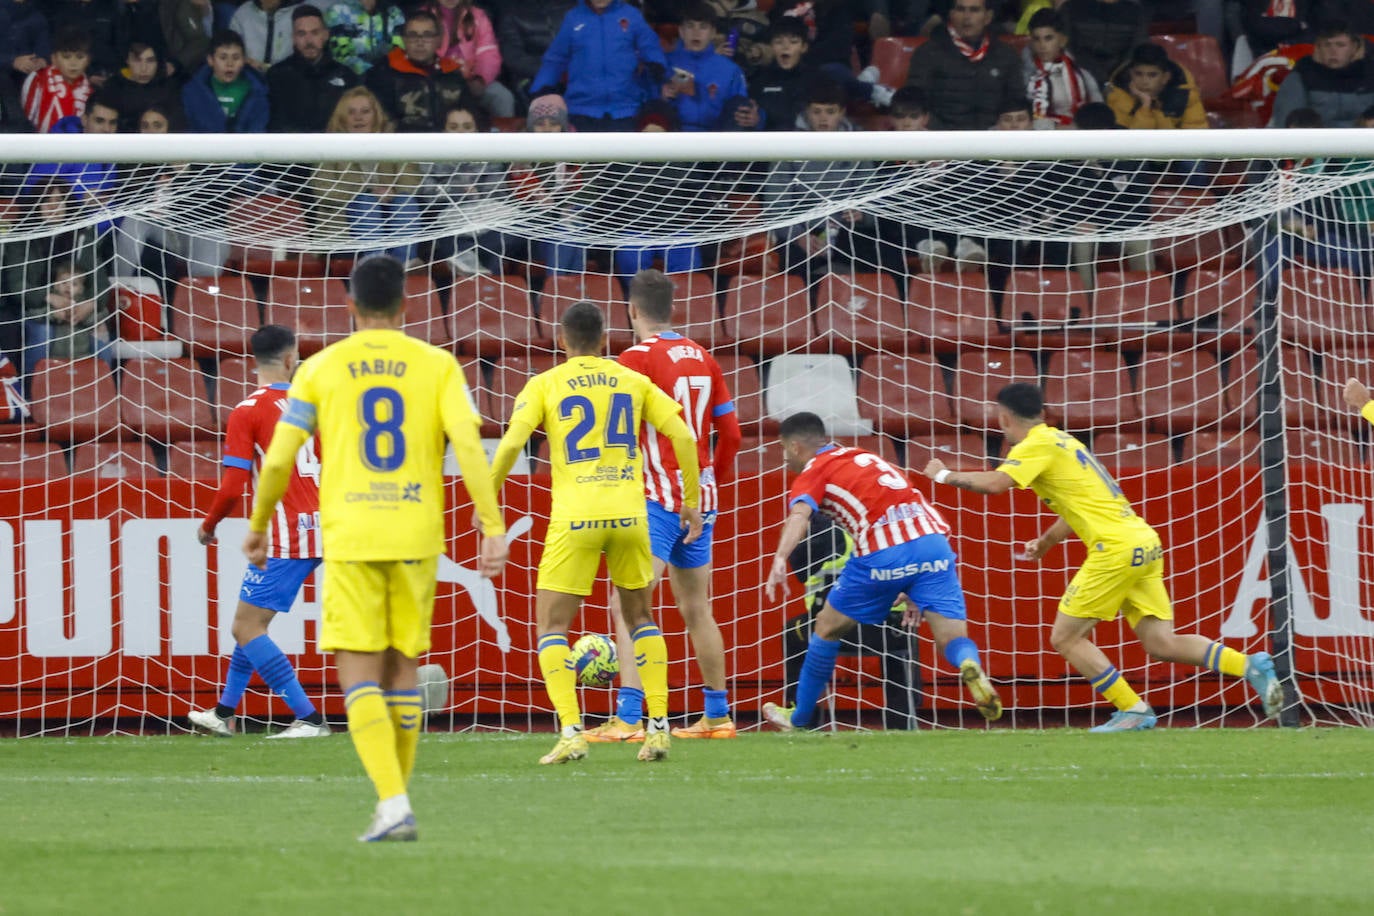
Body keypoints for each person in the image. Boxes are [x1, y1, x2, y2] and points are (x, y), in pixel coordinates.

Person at [243, 255, 508, 842]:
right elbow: (468, 445)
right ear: (406, 307)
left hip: (352, 535)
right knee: (403, 671)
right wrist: (492, 526)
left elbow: (282, 456)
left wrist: (259, 523)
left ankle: (392, 802)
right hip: (415, 533)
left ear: (350, 306)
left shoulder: (319, 369)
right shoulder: (438, 365)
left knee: (358, 672)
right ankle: (396, 802)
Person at [922, 382, 1284, 731]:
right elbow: (1078, 506)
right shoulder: (1064, 441)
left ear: (1003, 418)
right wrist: (1047, 542)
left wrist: (942, 475)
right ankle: (1251, 664)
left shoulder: (1035, 445)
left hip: (1114, 549)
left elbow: (997, 484)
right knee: (1162, 643)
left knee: (1065, 638)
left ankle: (1133, 709)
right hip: (1143, 541)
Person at [490, 300, 702, 765]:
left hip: (576, 518)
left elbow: (510, 444)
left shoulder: (544, 383)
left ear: (561, 341)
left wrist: (488, 503)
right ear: (606, 341)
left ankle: (571, 733)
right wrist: (690, 500)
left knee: (551, 625)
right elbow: (684, 437)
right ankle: (659, 727)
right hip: (631, 517)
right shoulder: (632, 380)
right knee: (641, 616)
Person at [761, 412, 1000, 731]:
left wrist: (780, 556)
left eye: (782, 450)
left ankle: (799, 717)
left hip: (883, 550)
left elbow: (800, 514)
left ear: (793, 446)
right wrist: (916, 589)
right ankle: (969, 664)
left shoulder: (815, 468)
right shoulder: (867, 456)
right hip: (933, 545)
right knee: (951, 638)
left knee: (826, 628)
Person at [584, 269, 742, 744]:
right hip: (702, 496)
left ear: (632, 310)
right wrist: (710, 478)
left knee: (626, 602)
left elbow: (619, 430)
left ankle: (629, 718)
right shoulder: (703, 356)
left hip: (656, 496)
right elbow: (731, 434)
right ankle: (718, 716)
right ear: (670, 309)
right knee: (697, 607)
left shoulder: (635, 358)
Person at [188, 326, 331, 740]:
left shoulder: (247, 410)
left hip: (287, 531)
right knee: (248, 624)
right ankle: (223, 713)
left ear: (254, 360)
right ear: (291, 359)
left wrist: (208, 525)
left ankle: (310, 719)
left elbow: (233, 487)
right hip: (325, 523)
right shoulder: (313, 406)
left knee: (247, 627)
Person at [782, 512, 920, 730]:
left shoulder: (826, 529)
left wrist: (796, 527)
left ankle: (799, 715)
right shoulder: (890, 528)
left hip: (836, 628)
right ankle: (903, 721)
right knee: (904, 642)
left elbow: (799, 569)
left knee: (793, 632)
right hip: (891, 629)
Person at [310, 86, 423, 264]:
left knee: (405, 200)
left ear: (376, 115)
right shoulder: (329, 147)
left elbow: (411, 178)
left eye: (365, 111)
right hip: (345, 224)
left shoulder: (395, 142)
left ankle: (405, 262)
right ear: (342, 118)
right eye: (351, 112)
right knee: (366, 201)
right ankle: (376, 263)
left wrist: (392, 193)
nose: (359, 117)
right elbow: (323, 189)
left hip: (391, 214)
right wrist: (369, 193)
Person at [530, 0, 667, 132]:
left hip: (625, 108)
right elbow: (556, 58)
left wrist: (657, 64)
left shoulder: (632, 15)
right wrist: (541, 88)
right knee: (584, 155)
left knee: (621, 155)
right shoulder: (573, 18)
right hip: (581, 109)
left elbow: (650, 46)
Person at [905, 0, 1024, 130]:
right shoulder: (928, 53)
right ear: (951, 15)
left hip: (994, 139)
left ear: (988, 17)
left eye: (974, 10)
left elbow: (1016, 101)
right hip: (943, 139)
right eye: (961, 9)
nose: (967, 17)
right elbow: (916, 103)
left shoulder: (1006, 54)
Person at [364, 9, 476, 132]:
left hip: (447, 145)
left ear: (438, 40)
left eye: (427, 35)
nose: (420, 42)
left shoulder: (452, 73)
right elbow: (381, 120)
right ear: (404, 39)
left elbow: (471, 114)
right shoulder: (384, 72)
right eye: (413, 35)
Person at [663, 2, 757, 131]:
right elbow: (646, 104)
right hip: (671, 140)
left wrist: (757, 118)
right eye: (690, 26)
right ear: (681, 31)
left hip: (716, 143)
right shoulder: (664, 64)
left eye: (703, 27)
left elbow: (741, 111)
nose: (696, 33)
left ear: (713, 33)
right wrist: (661, 96)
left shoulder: (730, 70)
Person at [268, 4, 359, 132]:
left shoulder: (346, 76)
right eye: (301, 34)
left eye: (315, 33)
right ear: (293, 38)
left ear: (326, 35)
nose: (309, 40)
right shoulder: (276, 76)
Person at [1268, 19, 1374, 129]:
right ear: (1318, 47)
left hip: (1364, 142)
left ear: (1355, 47)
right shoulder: (1302, 75)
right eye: (1327, 45)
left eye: (1340, 45)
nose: (1333, 51)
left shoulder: (1370, 73)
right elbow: (1287, 122)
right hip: (1315, 143)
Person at [421, 0, 515, 117]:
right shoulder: (423, 16)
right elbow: (421, 54)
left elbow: (488, 52)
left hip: (471, 79)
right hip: (435, 80)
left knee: (502, 97)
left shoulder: (478, 15)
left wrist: (481, 79)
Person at [1023, 8, 1101, 129]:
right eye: (1036, 39)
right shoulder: (1022, 75)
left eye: (1048, 38)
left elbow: (1099, 111)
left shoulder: (1081, 72)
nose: (1042, 46)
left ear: (1062, 40)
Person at [182, 29, 271, 133]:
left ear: (244, 60)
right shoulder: (193, 92)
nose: (230, 64)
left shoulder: (258, 91)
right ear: (210, 60)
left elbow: (258, 132)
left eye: (236, 57)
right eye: (223, 57)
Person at [1106, 42, 1209, 130]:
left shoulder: (1186, 96)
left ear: (1165, 77)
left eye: (1152, 75)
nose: (1144, 81)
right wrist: (1146, 106)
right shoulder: (1117, 96)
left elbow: (1195, 143)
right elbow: (1132, 144)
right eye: (1138, 74)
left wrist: (1156, 110)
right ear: (1130, 74)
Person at [1059, 0, 1149, 88]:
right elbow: (1066, 47)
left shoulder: (1135, 11)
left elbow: (1138, 49)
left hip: (1122, 80)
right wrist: (1094, 74)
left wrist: (1116, 76)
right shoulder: (1070, 8)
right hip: (1081, 79)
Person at [21, 25, 92, 134]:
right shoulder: (37, 80)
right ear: (54, 58)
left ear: (88, 60)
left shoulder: (91, 90)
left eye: (80, 57)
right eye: (66, 57)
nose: (73, 63)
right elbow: (26, 122)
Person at [103, 43, 180, 134]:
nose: (143, 68)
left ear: (158, 62)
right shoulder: (112, 88)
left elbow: (177, 128)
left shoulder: (169, 89)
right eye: (137, 60)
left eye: (150, 61)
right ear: (127, 60)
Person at [324, 0, 404, 76]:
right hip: (350, 76)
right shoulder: (338, 11)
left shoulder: (394, 12)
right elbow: (340, 54)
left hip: (389, 75)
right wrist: (369, 71)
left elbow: (401, 48)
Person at [228, 0, 296, 71]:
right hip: (251, 76)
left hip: (290, 75)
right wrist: (244, 60)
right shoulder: (242, 14)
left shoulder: (299, 12)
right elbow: (231, 51)